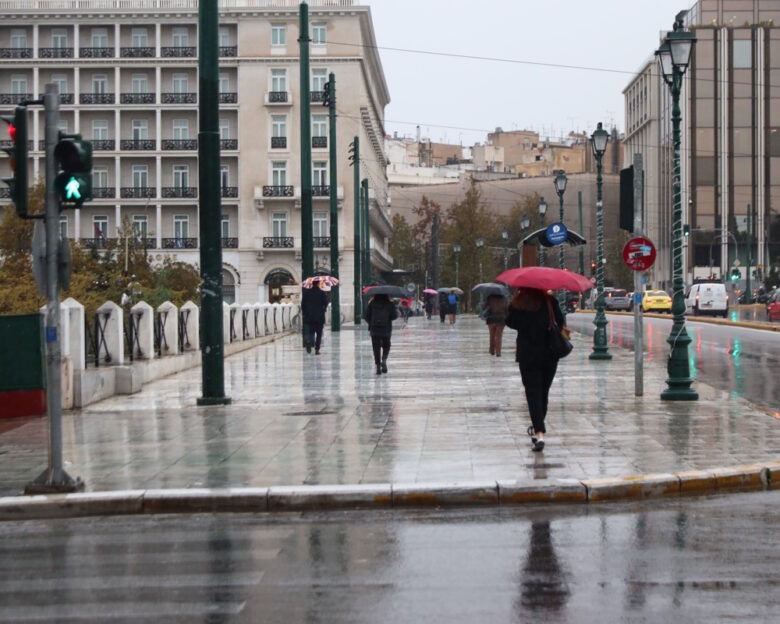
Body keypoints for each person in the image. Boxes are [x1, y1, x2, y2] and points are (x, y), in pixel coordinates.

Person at [505, 288, 566, 451]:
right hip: (549, 354)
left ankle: (539, 432)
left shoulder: (519, 303)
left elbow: (510, 321)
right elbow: (560, 322)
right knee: (543, 392)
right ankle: (538, 428)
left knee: (533, 394)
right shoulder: (550, 302)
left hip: (528, 356)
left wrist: (515, 303)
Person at [364, 294, 398, 375]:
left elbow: (366, 316)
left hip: (374, 329)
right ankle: (384, 359)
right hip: (386, 329)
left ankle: (378, 366)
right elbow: (394, 316)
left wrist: (371, 322)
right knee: (387, 345)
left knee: (376, 347)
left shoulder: (372, 303)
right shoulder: (390, 303)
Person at [300, 281, 329, 355]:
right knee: (319, 334)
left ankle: (309, 341)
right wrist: (324, 308)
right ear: (318, 284)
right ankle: (317, 350)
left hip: (310, 316)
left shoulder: (307, 293)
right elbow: (326, 303)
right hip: (319, 316)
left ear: (312, 284)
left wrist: (305, 313)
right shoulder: (322, 293)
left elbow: (303, 304)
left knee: (311, 332)